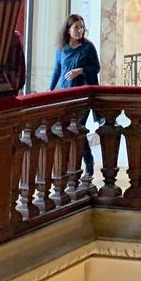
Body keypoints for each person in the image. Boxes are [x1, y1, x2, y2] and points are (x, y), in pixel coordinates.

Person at [49, 14, 100, 175]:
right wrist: (50, 91)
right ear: (68, 29)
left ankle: (86, 162)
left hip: (84, 95)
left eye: (82, 27)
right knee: (70, 129)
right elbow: (57, 70)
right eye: (76, 27)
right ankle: (75, 163)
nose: (80, 30)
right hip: (66, 94)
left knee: (78, 127)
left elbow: (96, 67)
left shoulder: (88, 47)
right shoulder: (61, 49)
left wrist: (81, 71)